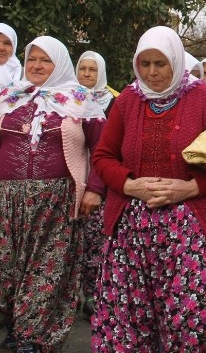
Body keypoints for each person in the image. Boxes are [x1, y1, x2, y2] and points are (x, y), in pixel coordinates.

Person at [90, 26, 206, 351]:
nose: (152, 72)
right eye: (145, 64)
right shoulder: (128, 100)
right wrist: (130, 185)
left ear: (176, 61)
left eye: (160, 63)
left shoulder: (204, 100)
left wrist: (189, 188)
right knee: (128, 322)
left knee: (192, 321)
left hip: (190, 228)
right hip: (132, 231)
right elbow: (102, 156)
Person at [0, 36, 106, 352]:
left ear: (60, 64)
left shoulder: (81, 100)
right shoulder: (9, 97)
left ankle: (31, 338)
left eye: (45, 60)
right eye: (32, 59)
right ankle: (14, 327)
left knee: (45, 272)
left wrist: (95, 190)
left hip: (56, 202)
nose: (37, 66)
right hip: (4, 201)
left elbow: (102, 148)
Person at [74, 50, 117, 319]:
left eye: (93, 69)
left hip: (102, 179)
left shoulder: (113, 102)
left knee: (96, 239)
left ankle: (94, 294)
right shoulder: (66, 98)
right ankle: (70, 295)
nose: (87, 74)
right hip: (73, 176)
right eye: (83, 68)